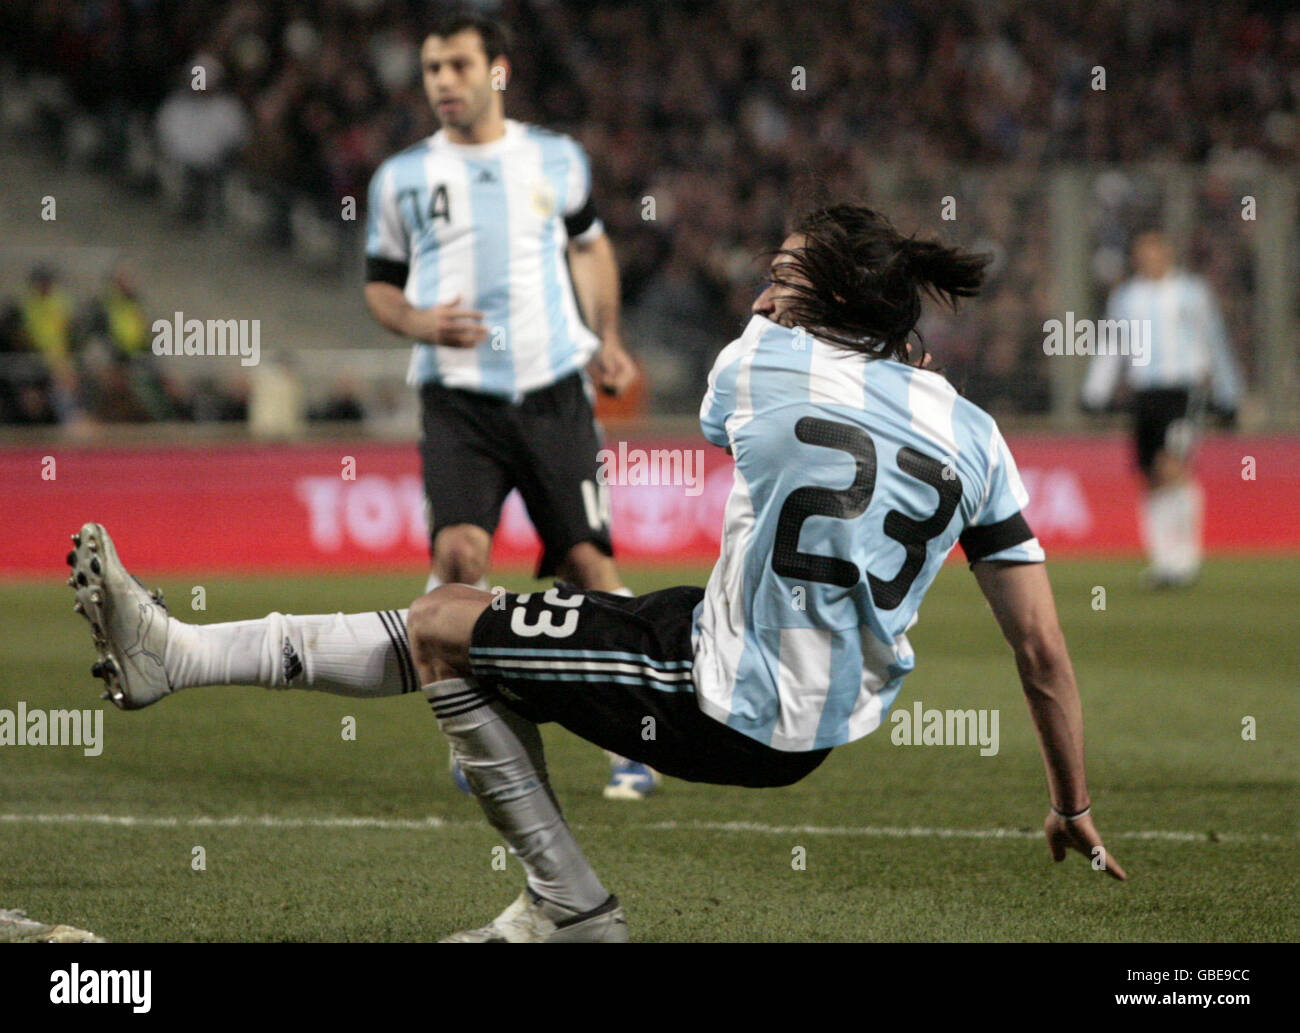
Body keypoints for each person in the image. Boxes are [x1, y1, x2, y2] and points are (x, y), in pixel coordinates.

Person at [69, 203, 1126, 943]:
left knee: (444, 625)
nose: (764, 285)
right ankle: (175, 652)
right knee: (479, 627)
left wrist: (786, 334)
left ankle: (567, 903)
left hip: (727, 700)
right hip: (794, 696)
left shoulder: (756, 360)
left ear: (826, 295)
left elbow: (746, 417)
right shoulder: (977, 431)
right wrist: (1070, 800)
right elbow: (1039, 650)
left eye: (785, 271)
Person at [361, 12, 654, 798]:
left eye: (457, 65)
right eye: (431, 69)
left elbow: (590, 245)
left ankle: (640, 737)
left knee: (588, 566)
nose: (443, 83)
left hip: (554, 391)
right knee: (458, 561)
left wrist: (608, 334)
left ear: (498, 71)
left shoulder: (554, 159)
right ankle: (477, 734)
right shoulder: (402, 178)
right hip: (458, 401)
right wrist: (419, 320)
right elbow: (380, 285)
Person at [1081, 229, 1242, 588]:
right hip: (1144, 393)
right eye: (1142, 252)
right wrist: (1095, 391)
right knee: (1151, 475)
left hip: (1183, 390)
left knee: (1174, 465)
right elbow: (1113, 345)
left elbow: (1214, 340)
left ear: (1167, 254)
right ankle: (1162, 560)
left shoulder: (1192, 292)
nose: (1148, 258)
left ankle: (1184, 559)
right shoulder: (1126, 296)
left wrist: (1228, 393)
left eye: (1154, 251)